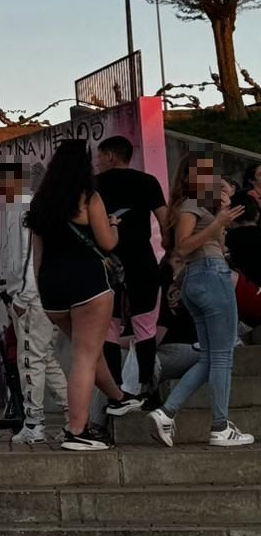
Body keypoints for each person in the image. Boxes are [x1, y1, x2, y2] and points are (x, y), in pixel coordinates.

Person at [28, 139, 146, 451]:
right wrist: (114, 225)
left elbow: (37, 257)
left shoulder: (40, 204)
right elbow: (107, 244)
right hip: (87, 284)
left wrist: (42, 294)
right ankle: (77, 430)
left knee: (88, 350)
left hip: (52, 288)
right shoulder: (89, 198)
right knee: (84, 356)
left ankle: (118, 398)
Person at [146, 155, 255, 448]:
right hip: (209, 276)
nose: (211, 179)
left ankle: (167, 412)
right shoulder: (190, 204)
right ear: (188, 177)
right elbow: (183, 246)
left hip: (202, 278)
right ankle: (220, 426)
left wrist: (220, 215)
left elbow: (216, 244)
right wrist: (217, 220)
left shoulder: (194, 205)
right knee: (222, 357)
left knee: (210, 357)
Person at [0, 161, 67, 443]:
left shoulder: (24, 209)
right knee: (44, 358)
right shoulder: (29, 208)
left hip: (31, 297)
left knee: (30, 360)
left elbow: (26, 256)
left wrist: (22, 295)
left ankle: (34, 423)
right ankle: (74, 413)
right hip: (40, 294)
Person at [94, 136, 169, 401]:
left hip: (105, 261)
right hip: (142, 259)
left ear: (111, 156)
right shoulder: (148, 182)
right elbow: (164, 221)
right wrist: (170, 251)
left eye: (100, 156)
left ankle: (117, 394)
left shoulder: (93, 186)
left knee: (109, 326)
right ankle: (148, 387)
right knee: (145, 325)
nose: (97, 161)